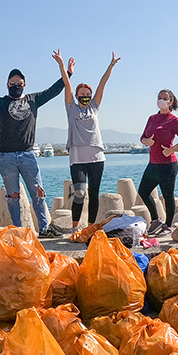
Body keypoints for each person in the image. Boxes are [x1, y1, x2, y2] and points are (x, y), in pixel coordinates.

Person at [0, 54, 74, 237]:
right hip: (6, 156)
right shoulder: (0, 103)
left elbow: (54, 90)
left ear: (24, 84)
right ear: (7, 84)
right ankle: (19, 231)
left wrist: (68, 72)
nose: (15, 85)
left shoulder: (33, 100)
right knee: (13, 197)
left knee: (38, 193)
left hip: (28, 155)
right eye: (12, 83)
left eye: (19, 83)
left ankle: (44, 229)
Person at [54, 49, 120, 231]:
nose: (85, 96)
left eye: (87, 94)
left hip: (96, 156)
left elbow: (102, 84)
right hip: (77, 157)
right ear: (76, 96)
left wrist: (111, 65)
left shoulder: (94, 107)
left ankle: (90, 228)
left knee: (94, 192)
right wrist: (62, 66)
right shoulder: (71, 109)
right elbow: (67, 85)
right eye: (81, 94)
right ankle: (75, 228)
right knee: (80, 192)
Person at [138, 88, 178, 237]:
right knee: (143, 191)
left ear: (170, 102)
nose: (161, 100)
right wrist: (146, 141)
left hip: (168, 165)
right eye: (159, 98)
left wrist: (171, 149)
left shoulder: (174, 120)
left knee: (168, 196)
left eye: (165, 98)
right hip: (153, 164)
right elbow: (142, 137)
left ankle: (168, 226)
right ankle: (155, 221)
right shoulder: (152, 118)